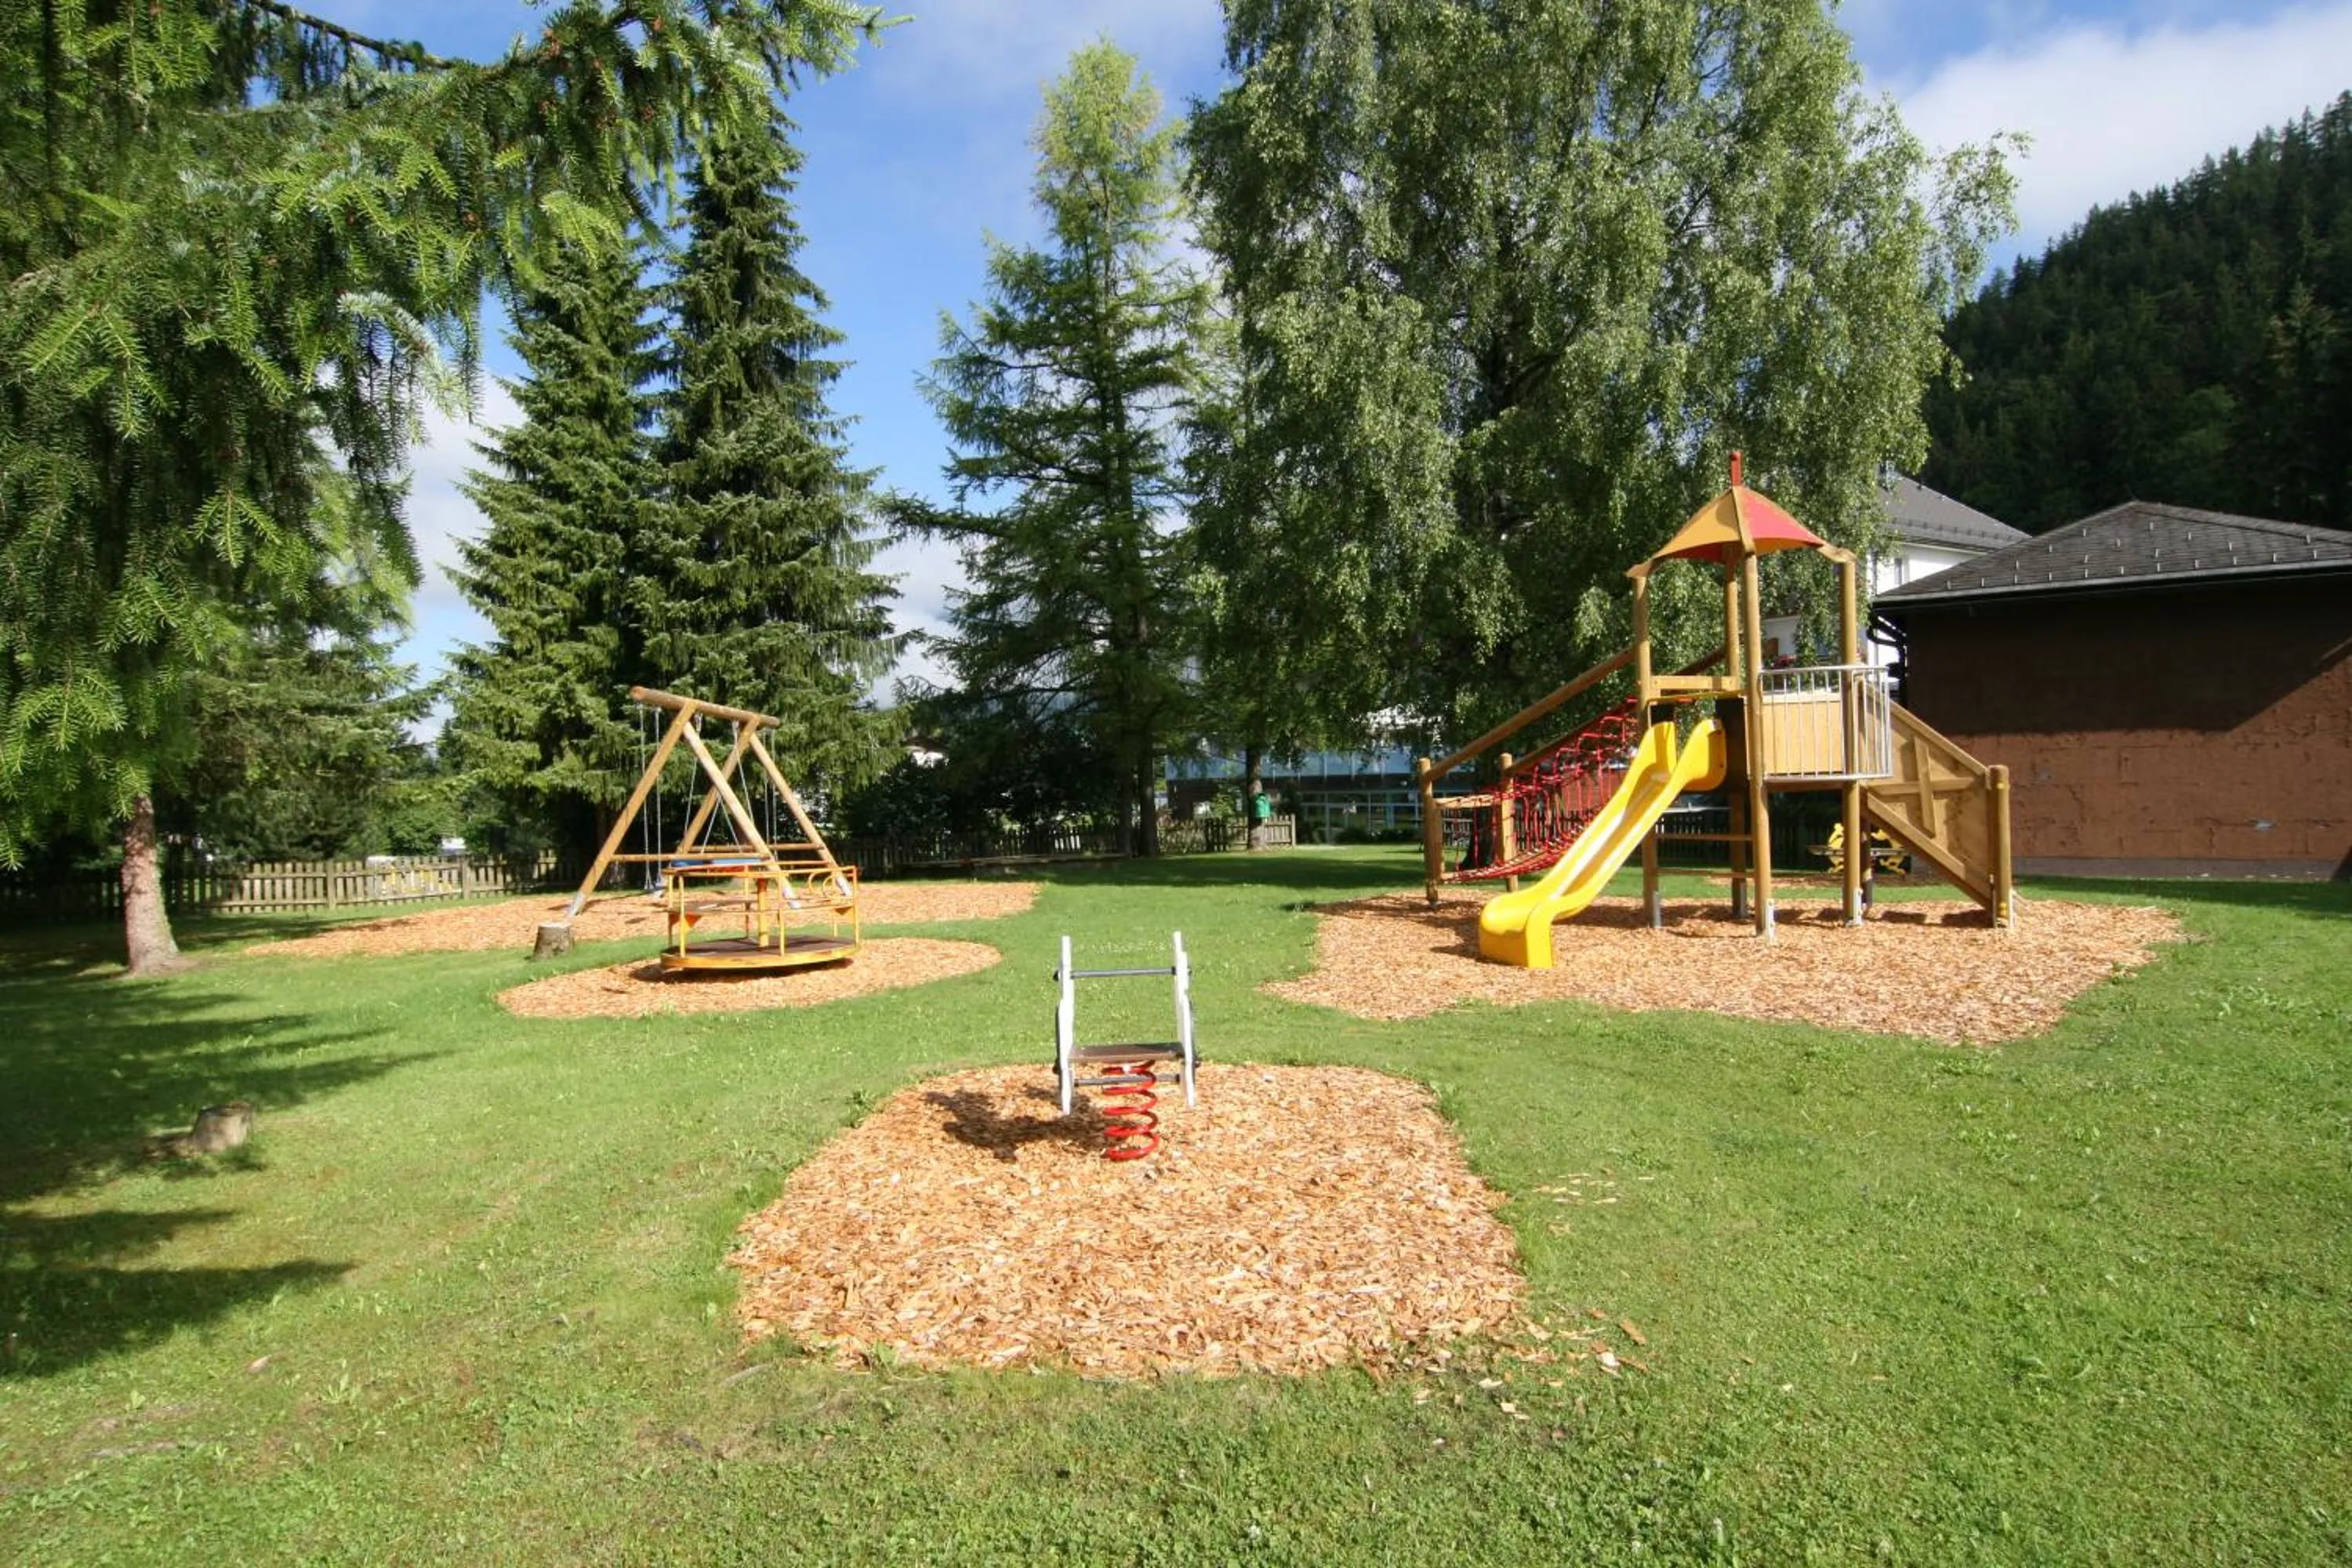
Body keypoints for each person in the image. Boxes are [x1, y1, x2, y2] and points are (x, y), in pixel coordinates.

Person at [1248, 780, 1275, 849]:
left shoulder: (1258, 798)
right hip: (1264, 814)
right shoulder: (1266, 799)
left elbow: (1252, 798)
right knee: (1263, 821)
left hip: (1259, 813)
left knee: (1260, 821)